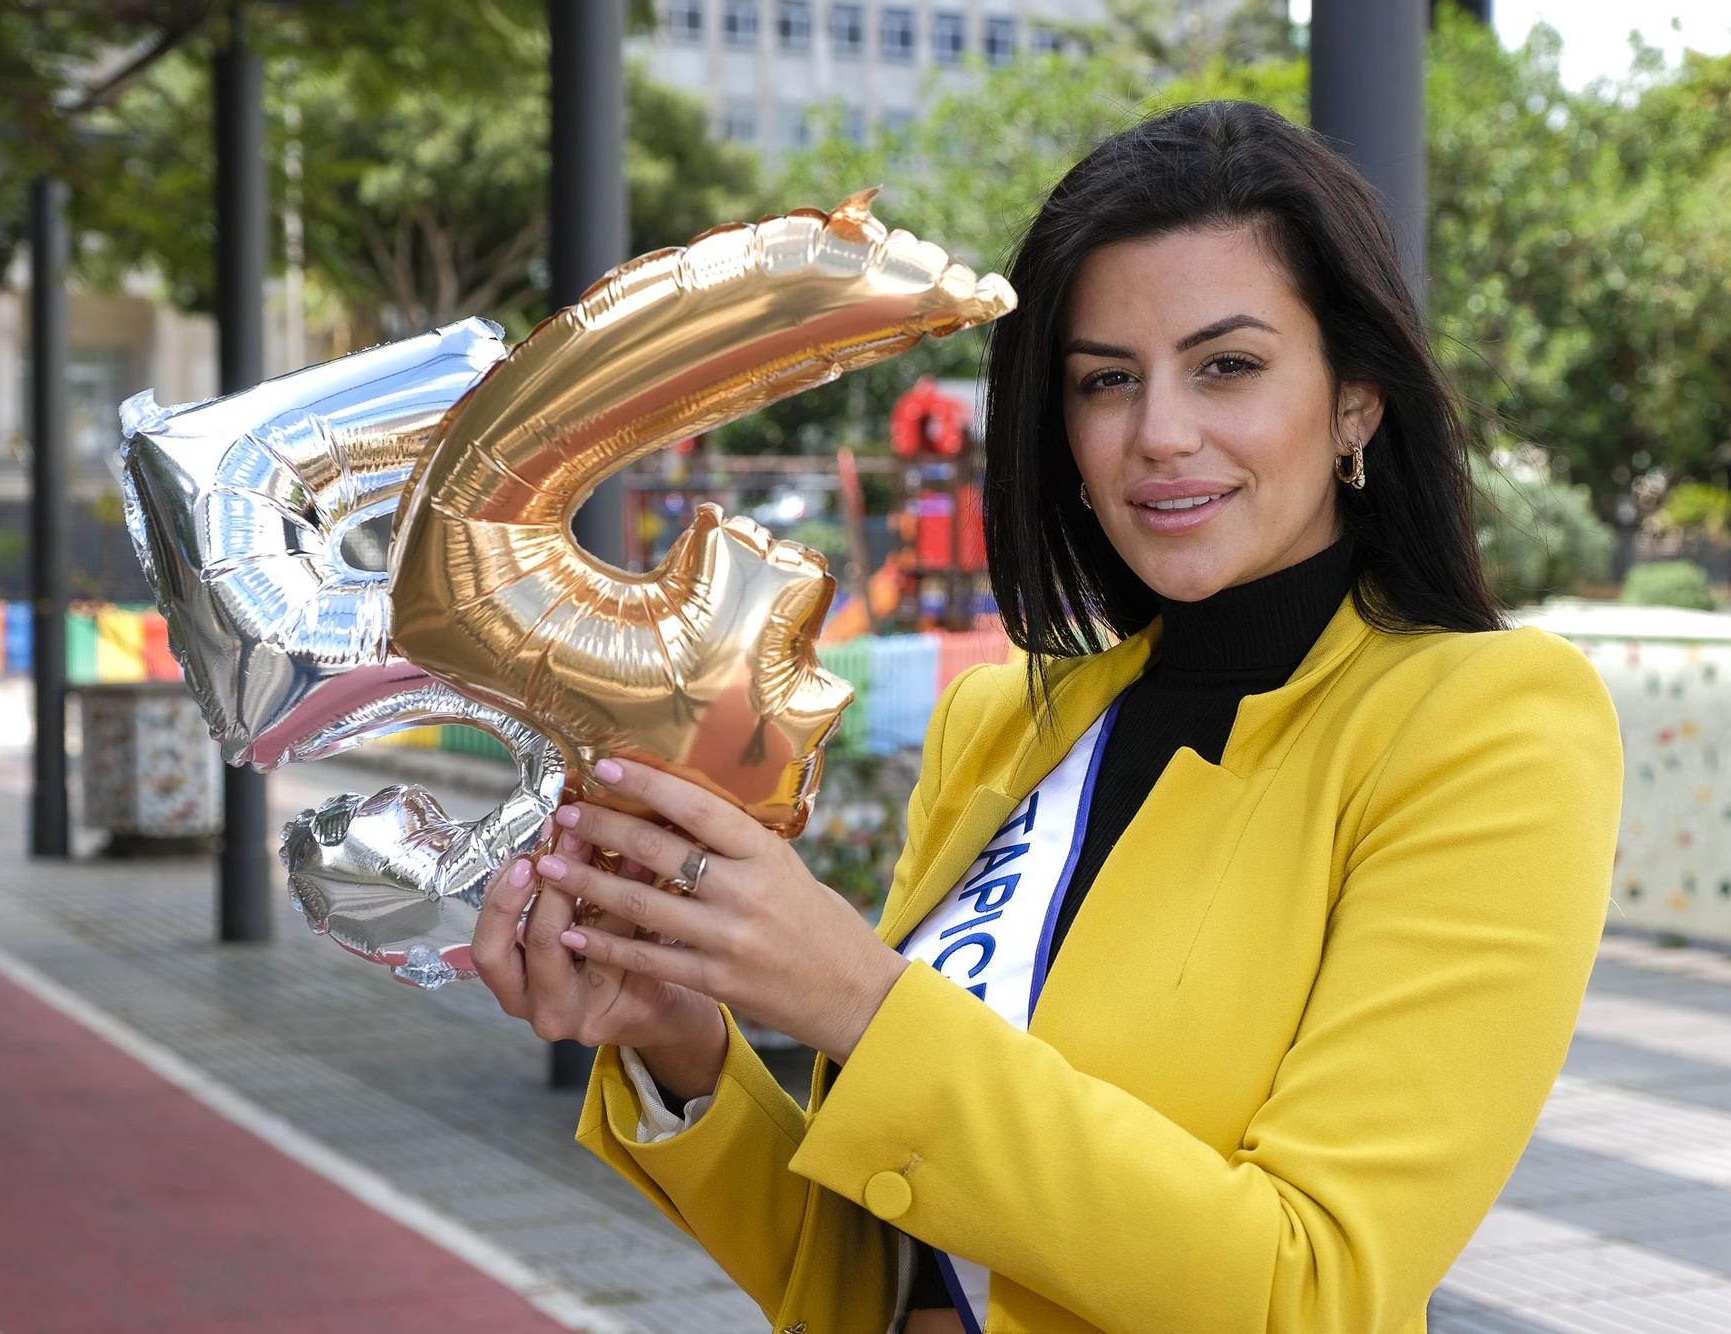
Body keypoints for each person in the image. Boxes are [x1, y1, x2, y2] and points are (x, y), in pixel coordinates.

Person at [471, 99, 1624, 1334]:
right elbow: (876, 1276)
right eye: (1104, 380)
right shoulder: (1002, 724)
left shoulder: (1484, 725)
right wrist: (681, 1042)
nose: (1159, 434)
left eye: (1225, 365)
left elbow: (1308, 1286)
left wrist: (856, 997)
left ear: (1354, 399)